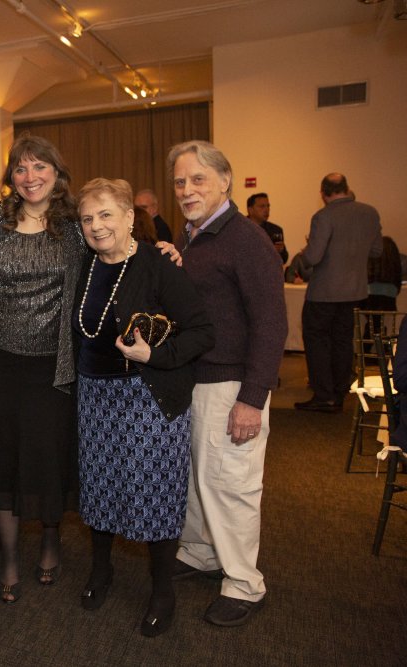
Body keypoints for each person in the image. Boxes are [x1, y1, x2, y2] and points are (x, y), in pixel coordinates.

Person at [71, 178, 213, 636]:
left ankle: (162, 591)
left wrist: (155, 356)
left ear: (130, 217)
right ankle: (101, 571)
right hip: (95, 397)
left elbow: (202, 331)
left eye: (106, 215)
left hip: (148, 398)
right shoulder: (84, 263)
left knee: (155, 494)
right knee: (99, 488)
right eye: (87, 218)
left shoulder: (158, 264)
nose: (96, 226)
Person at [168, 140, 286, 627]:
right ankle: (201, 552)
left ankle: (243, 583)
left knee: (231, 485)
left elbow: (271, 324)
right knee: (199, 480)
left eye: (198, 179)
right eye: (180, 181)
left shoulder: (245, 239)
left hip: (232, 385)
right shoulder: (191, 237)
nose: (187, 190)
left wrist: (252, 399)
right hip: (196, 381)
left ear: (225, 181)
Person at [0, 135, 80, 603]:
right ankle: (10, 558)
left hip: (53, 367)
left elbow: (116, 256)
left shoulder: (75, 226)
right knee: (2, 457)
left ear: (56, 174)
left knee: (48, 456)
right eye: (20, 168)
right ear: (11, 177)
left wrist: (162, 250)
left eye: (40, 167)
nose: (30, 177)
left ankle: (51, 541)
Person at [295, 173, 382, 413]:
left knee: (317, 342)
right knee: (343, 341)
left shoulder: (323, 216)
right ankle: (340, 390)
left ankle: (324, 395)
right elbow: (377, 250)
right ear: (347, 188)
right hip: (355, 291)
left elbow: (314, 256)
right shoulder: (369, 213)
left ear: (323, 193)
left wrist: (304, 253)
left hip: (324, 293)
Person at [246, 193, 288, 263]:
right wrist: (269, 251)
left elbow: (284, 259)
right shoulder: (240, 228)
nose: (266, 209)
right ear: (250, 210)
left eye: (268, 206)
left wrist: (281, 250)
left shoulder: (275, 230)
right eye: (262, 206)